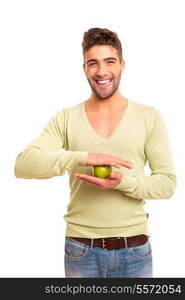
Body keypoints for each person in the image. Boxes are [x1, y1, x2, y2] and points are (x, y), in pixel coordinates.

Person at [14, 28, 177, 278]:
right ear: (84, 68)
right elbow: (24, 165)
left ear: (122, 65)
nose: (101, 72)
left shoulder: (149, 117)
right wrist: (82, 157)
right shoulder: (66, 118)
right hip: (81, 249)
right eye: (93, 63)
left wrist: (124, 182)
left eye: (109, 62)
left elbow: (167, 184)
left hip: (133, 248)